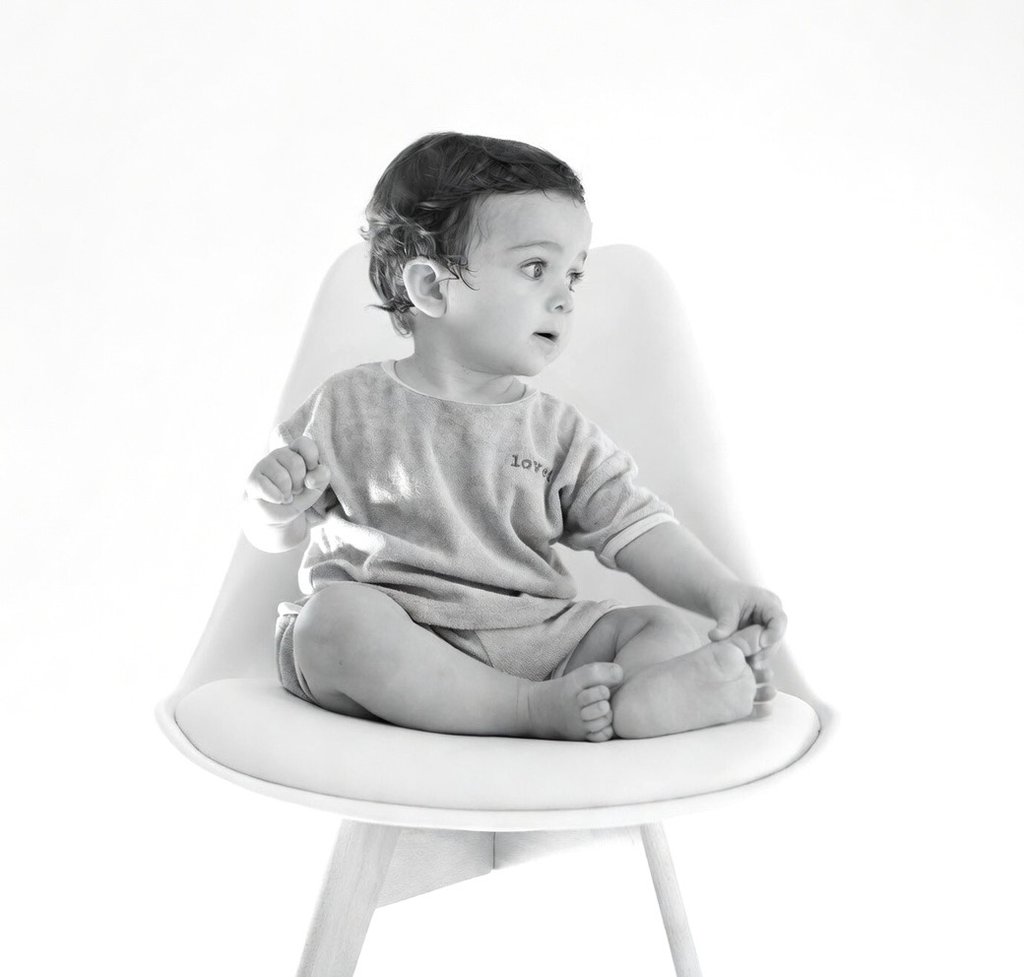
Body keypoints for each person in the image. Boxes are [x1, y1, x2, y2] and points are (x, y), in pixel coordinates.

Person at [241, 131, 787, 742]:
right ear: (432, 288)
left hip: (535, 642)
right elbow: (277, 531)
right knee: (332, 623)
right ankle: (527, 710)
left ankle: (638, 706)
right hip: (399, 639)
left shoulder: (559, 433)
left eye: (573, 275)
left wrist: (721, 591)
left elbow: (637, 528)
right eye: (535, 268)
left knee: (660, 630)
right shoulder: (348, 405)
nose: (564, 298)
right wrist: (272, 506)